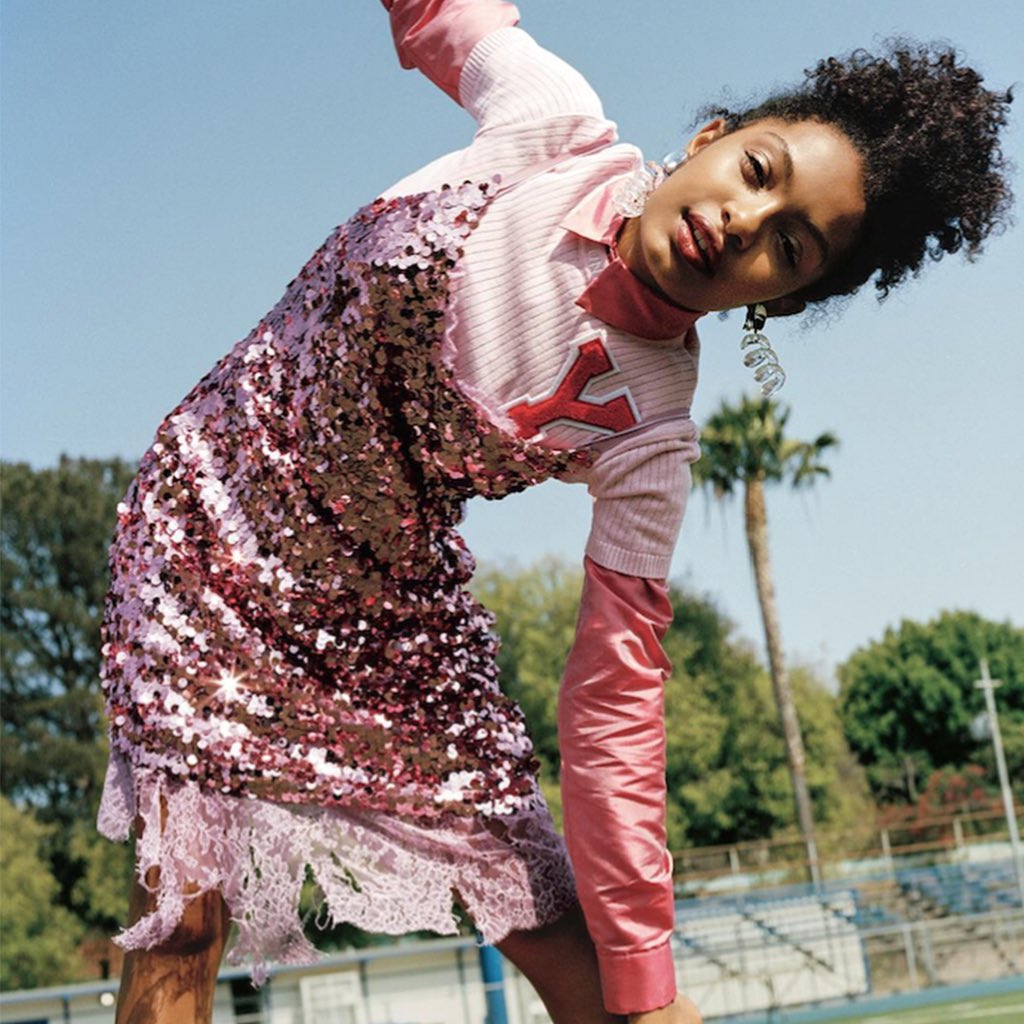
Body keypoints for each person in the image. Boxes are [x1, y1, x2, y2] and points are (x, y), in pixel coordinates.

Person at [98, 3, 1012, 1023]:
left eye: (788, 248)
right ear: (710, 139)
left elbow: (616, 703)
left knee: (588, 960)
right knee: (182, 923)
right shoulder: (553, 123)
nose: (743, 223)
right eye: (757, 172)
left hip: (379, 624)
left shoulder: (651, 433)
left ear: (784, 300)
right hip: (208, 527)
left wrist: (646, 973)